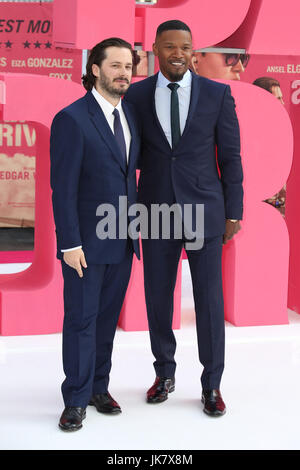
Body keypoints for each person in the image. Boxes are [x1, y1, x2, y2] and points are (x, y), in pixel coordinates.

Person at [125, 20, 243, 417]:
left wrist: (235, 211)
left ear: (194, 51)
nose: (179, 53)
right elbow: (129, 157)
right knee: (158, 299)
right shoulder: (136, 95)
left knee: (210, 302)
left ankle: (212, 385)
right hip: (155, 210)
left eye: (186, 46)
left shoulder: (217, 94)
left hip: (206, 212)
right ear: (155, 48)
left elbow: (230, 158)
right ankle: (165, 373)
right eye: (170, 45)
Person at [50, 38, 140, 431]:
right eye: (116, 65)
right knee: (82, 321)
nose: (124, 73)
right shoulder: (71, 119)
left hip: (122, 241)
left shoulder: (130, 116)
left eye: (129, 66)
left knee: (106, 322)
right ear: (95, 70)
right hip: (84, 245)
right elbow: (63, 188)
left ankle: (98, 388)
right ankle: (75, 399)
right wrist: (69, 243)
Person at [253, 77, 285, 215]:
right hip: (258, 211)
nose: (283, 103)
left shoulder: (282, 132)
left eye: (281, 98)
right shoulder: (249, 134)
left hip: (279, 212)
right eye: (278, 99)